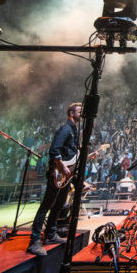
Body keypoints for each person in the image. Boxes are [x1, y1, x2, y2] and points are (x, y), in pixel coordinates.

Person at [27, 102, 81, 256]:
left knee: (58, 205)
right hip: (58, 172)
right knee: (46, 205)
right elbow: (54, 150)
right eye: (79, 111)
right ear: (71, 113)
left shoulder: (74, 130)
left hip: (66, 175)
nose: (82, 114)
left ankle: (51, 234)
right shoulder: (65, 129)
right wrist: (63, 168)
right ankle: (34, 241)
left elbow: (70, 153)